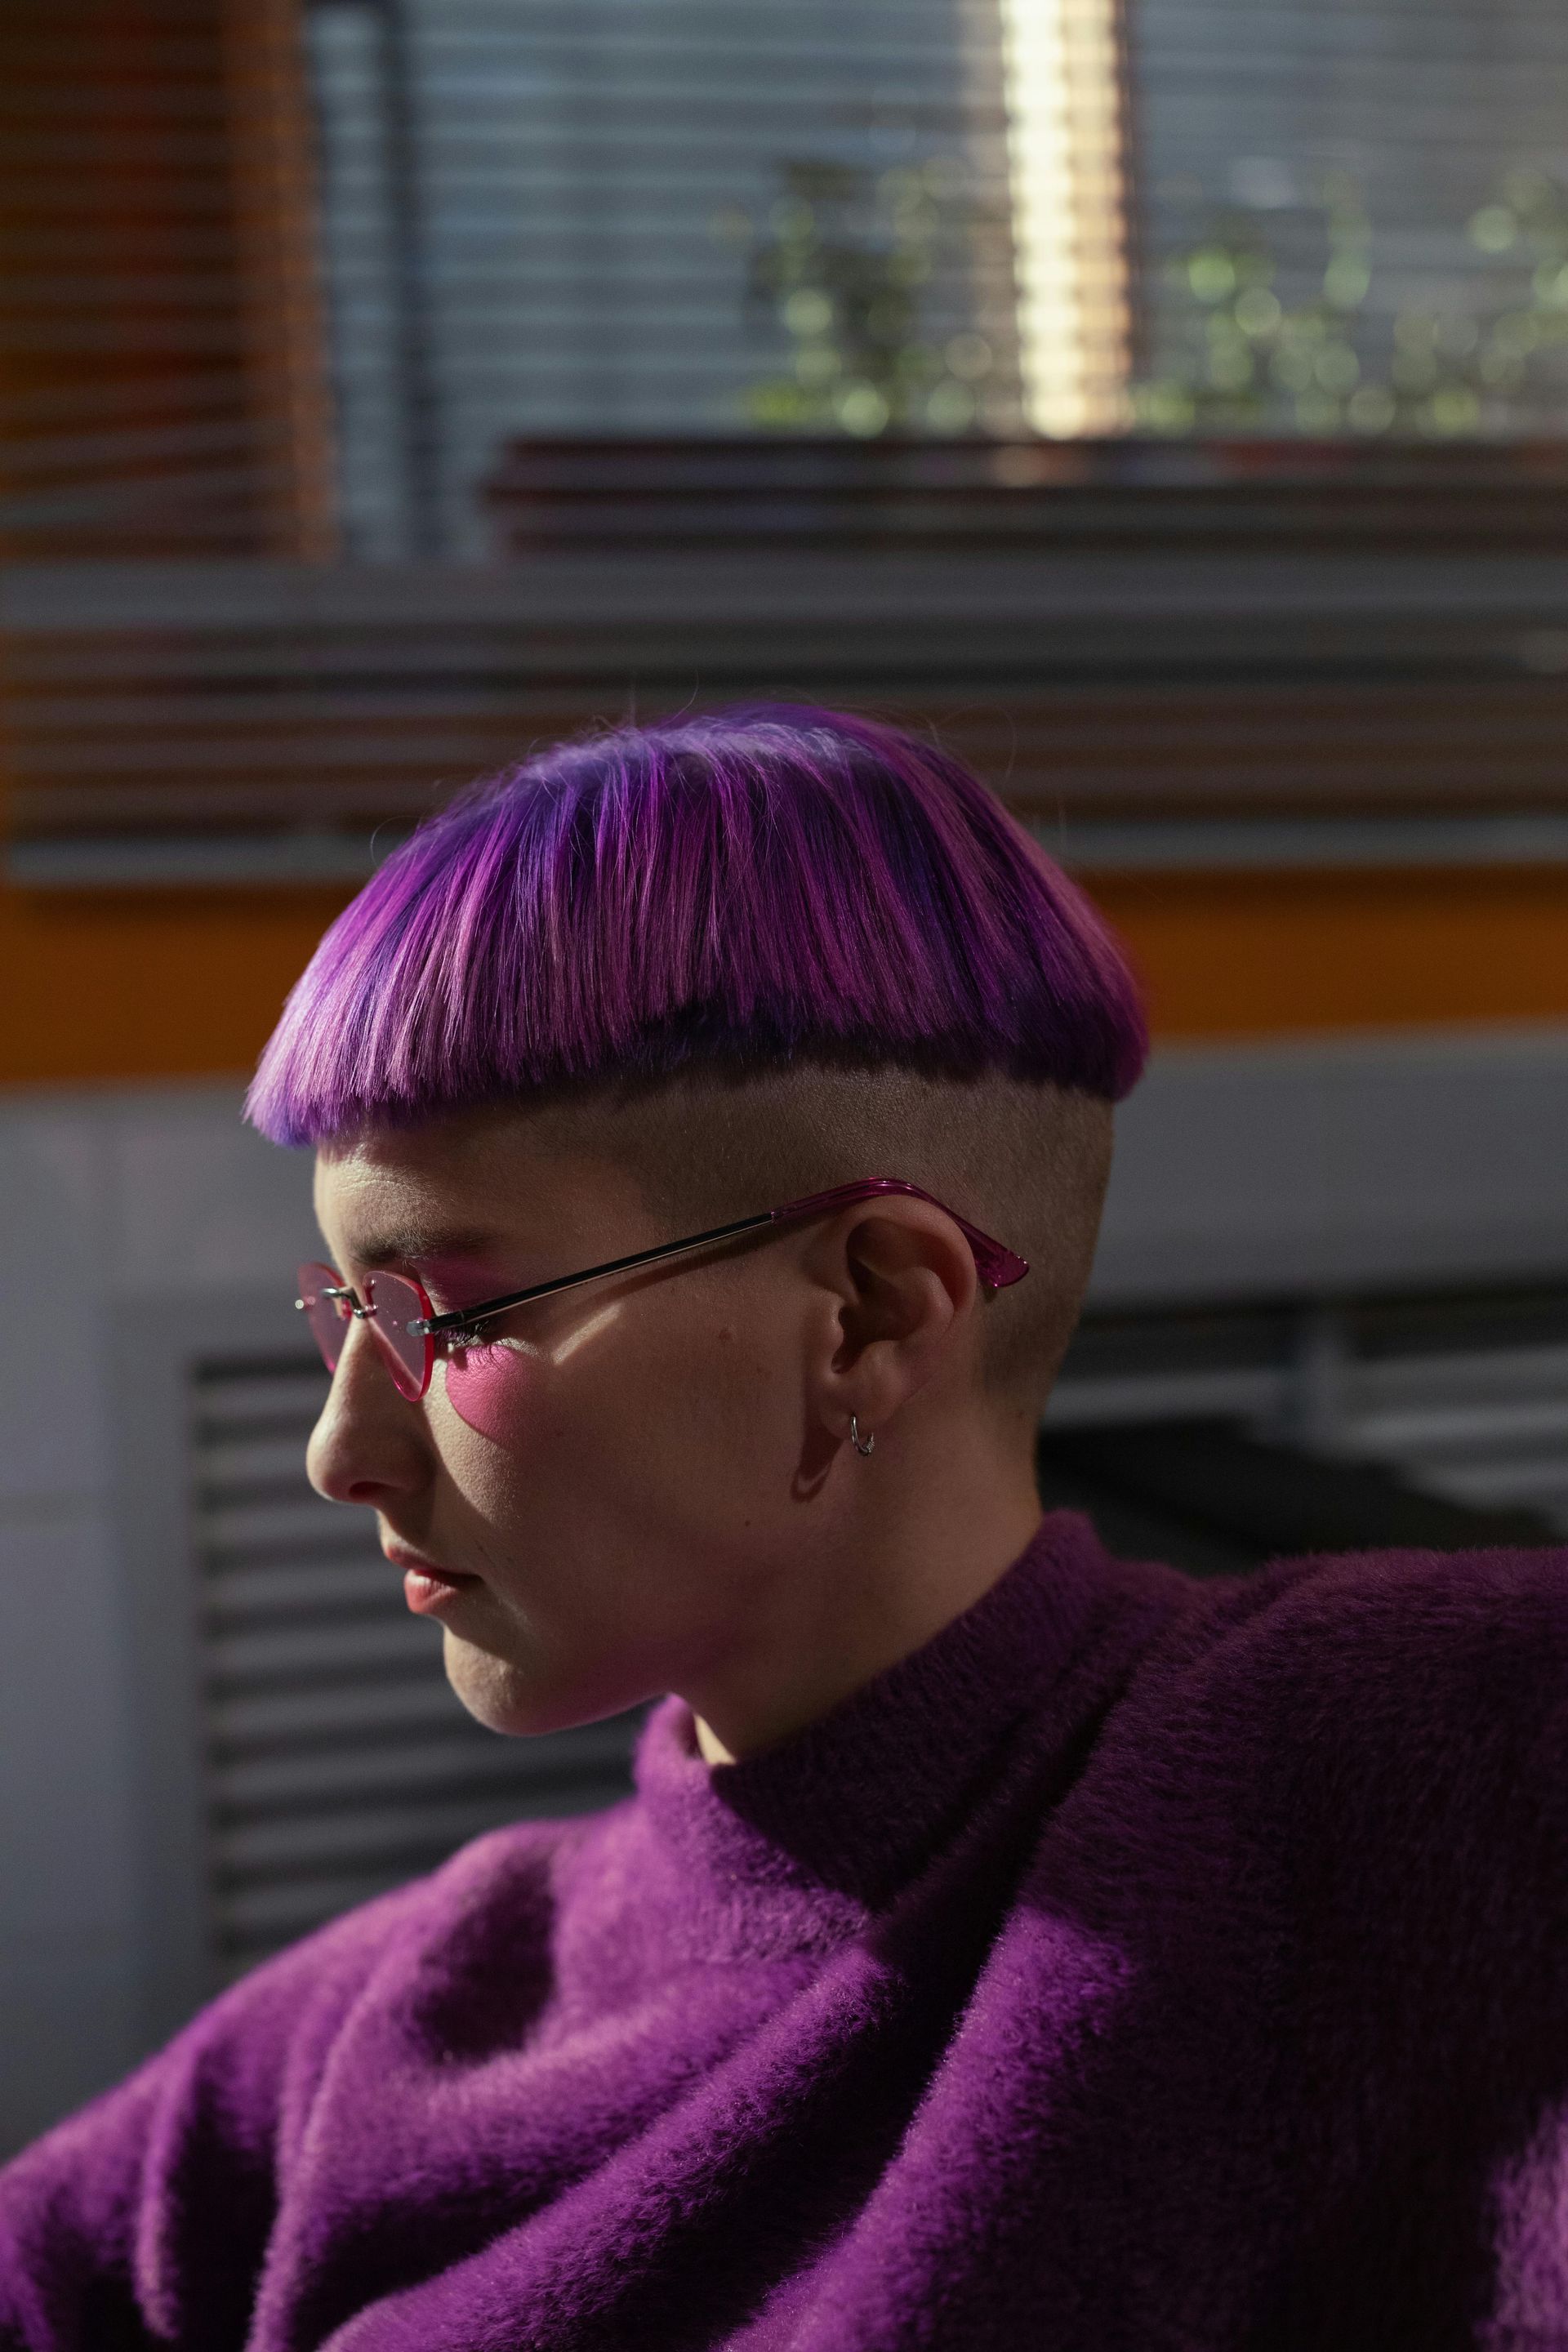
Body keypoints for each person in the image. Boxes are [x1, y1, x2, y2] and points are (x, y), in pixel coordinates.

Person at [1, 705, 1564, 2352]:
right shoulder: (349, 2054)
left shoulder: (1406, 1769)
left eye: (450, 1317)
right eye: (347, 1312)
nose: (339, 1453)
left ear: (871, 1317)